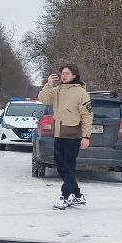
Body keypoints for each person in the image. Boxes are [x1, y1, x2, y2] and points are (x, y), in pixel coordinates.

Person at [37, 65, 93, 209]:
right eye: (62, 73)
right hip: (58, 134)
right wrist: (49, 84)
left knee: (69, 167)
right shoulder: (57, 91)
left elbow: (87, 116)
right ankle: (78, 196)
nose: (64, 76)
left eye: (67, 73)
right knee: (61, 166)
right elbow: (43, 99)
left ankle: (65, 196)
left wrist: (86, 136)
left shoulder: (81, 93)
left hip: (73, 135)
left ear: (74, 76)